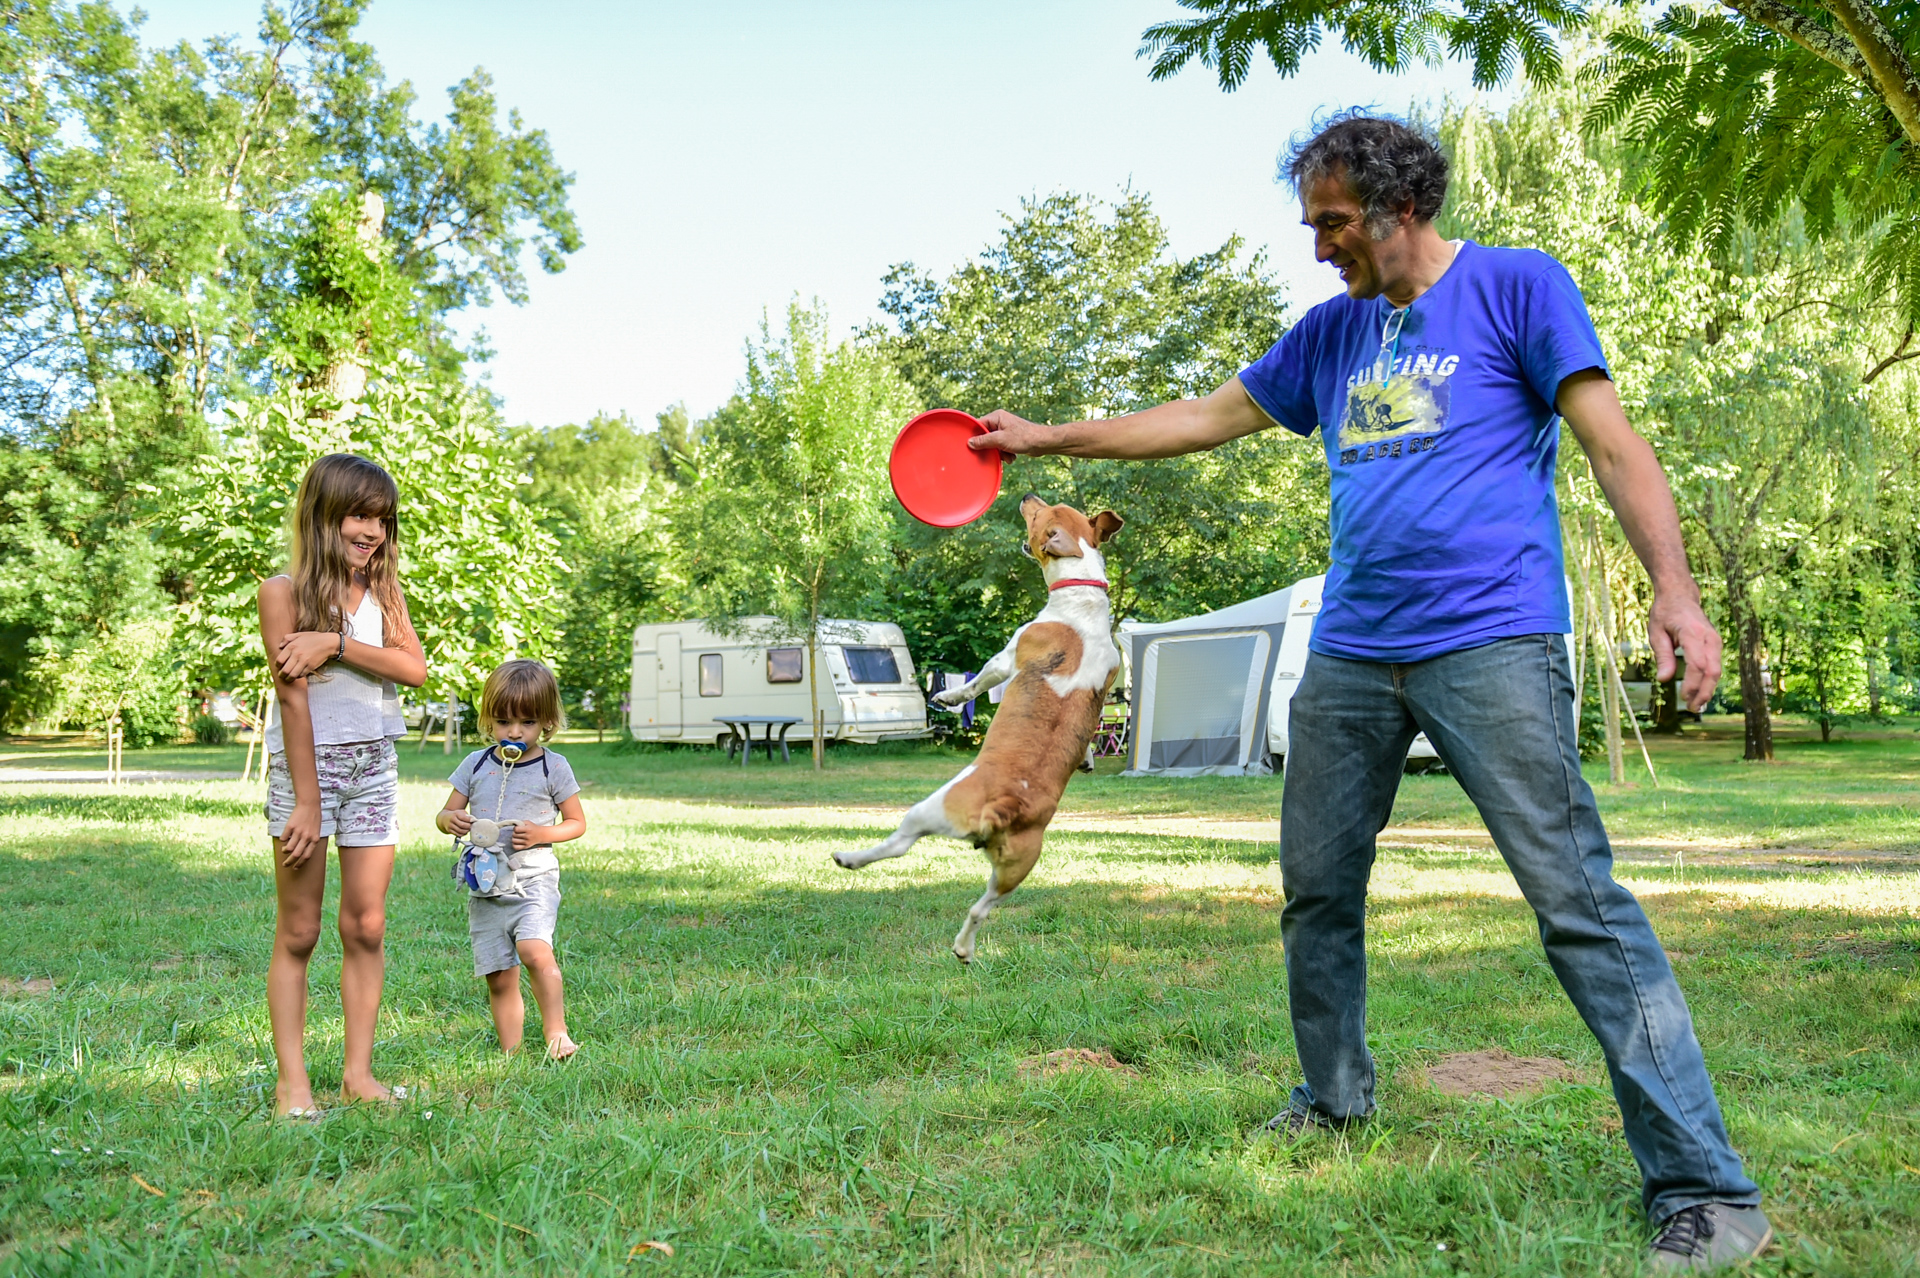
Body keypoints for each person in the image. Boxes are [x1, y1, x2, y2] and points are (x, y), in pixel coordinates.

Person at [970, 112, 1769, 1272]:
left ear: (1402, 205)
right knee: (1317, 892)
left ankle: (1705, 1187)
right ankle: (1335, 1098)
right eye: (1313, 225)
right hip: (1350, 652)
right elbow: (1203, 417)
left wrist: (1676, 594)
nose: (1319, 247)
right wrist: (1051, 438)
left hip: (1492, 641)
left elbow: (1612, 445)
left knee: (1577, 905)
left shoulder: (1518, 289)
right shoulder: (1330, 335)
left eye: (1334, 223)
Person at [258, 453, 427, 1118]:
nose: (372, 531)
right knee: (299, 930)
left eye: (382, 519)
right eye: (359, 515)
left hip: (373, 768)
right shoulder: (283, 592)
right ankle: (292, 1084)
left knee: (366, 925)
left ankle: (358, 1075)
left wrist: (334, 643)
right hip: (309, 773)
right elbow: (293, 702)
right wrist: (306, 800)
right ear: (323, 514)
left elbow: (412, 670)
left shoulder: (383, 593)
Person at [436, 659, 586, 1059]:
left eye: (527, 722)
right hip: (485, 884)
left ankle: (556, 1033)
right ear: (488, 720)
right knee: (499, 974)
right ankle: (511, 1054)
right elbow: (443, 814)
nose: (515, 732)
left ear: (548, 723)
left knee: (535, 950)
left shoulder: (553, 766)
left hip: (533, 879)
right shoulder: (476, 764)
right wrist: (451, 820)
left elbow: (576, 823)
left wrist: (541, 834)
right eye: (504, 722)